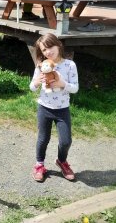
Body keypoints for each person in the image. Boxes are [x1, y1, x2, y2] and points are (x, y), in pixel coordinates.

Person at [29, 33, 79, 182]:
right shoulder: (41, 66)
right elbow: (31, 87)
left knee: (65, 141)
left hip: (63, 109)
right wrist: (37, 81)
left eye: (50, 47)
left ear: (58, 45)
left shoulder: (70, 65)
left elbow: (75, 88)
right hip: (44, 108)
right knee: (43, 139)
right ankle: (39, 165)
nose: (48, 52)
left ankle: (61, 161)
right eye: (44, 50)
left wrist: (63, 84)